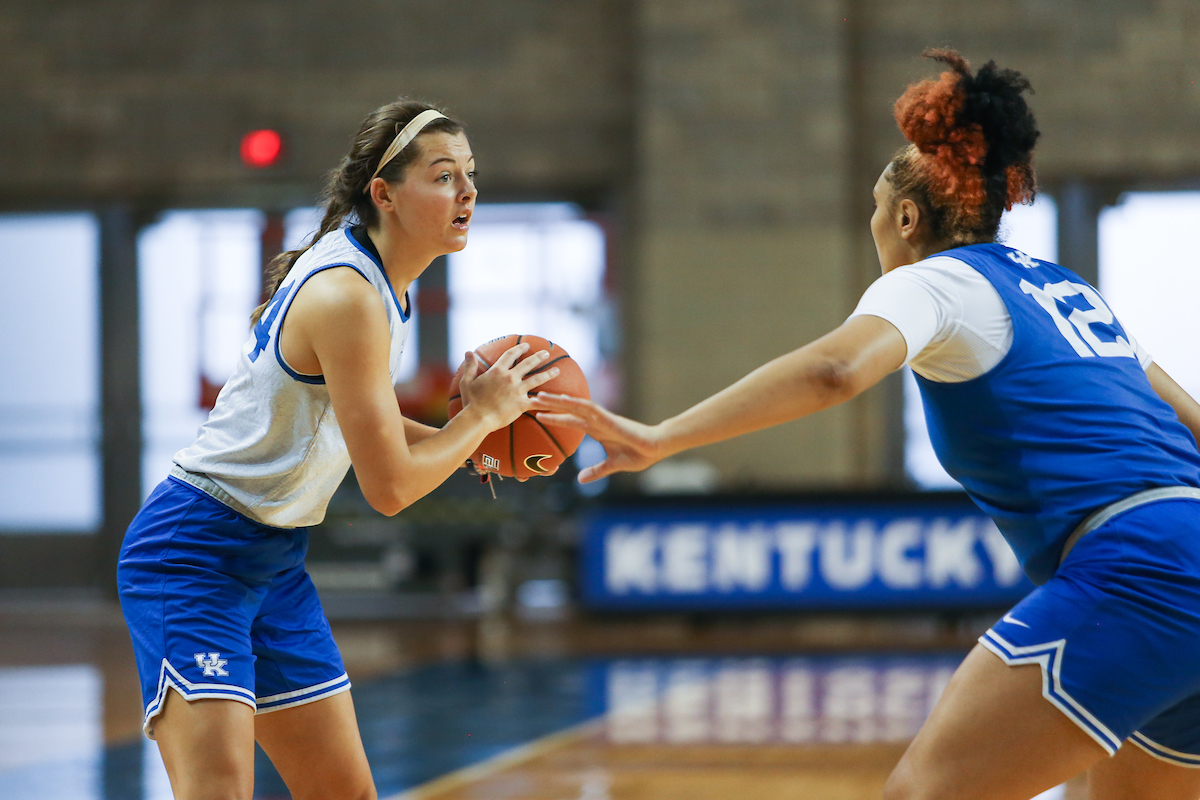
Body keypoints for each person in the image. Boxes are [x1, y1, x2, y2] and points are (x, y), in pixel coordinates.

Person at [535, 50, 1200, 800]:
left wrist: (661, 438)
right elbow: (1193, 423)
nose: (878, 232)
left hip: (1139, 567)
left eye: (878, 215)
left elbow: (835, 372)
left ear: (907, 218)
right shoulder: (1070, 291)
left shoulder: (934, 279)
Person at [118, 99, 560, 800]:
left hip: (275, 562)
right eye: (445, 176)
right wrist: (479, 423)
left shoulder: (383, 286)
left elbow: (364, 431)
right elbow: (389, 489)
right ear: (383, 193)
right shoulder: (348, 296)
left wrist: (474, 431)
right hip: (193, 553)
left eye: (471, 175)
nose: (469, 193)